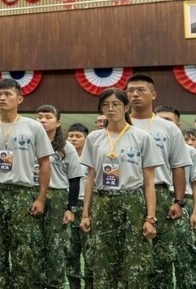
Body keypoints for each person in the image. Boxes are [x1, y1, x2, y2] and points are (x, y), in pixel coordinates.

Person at [0, 78, 54, 289]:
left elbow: (45, 163)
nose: (2, 98)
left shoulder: (33, 127)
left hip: (22, 193)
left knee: (23, 251)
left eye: (8, 94)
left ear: (20, 98)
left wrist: (41, 198)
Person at [80, 88, 162, 288]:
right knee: (102, 260)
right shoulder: (94, 138)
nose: (110, 109)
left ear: (126, 107)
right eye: (106, 105)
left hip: (132, 202)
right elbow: (90, 177)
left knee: (135, 261)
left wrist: (150, 218)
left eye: (116, 104)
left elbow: (149, 182)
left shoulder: (142, 137)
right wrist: (85, 213)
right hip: (102, 202)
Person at [126, 74, 191, 288]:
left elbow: (178, 166)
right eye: (130, 90)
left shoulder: (168, 128)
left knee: (162, 257)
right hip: (127, 194)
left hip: (161, 193)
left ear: (153, 95)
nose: (134, 94)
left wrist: (178, 201)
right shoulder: (117, 124)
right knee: (129, 255)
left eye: (140, 90)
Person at [36, 105, 83, 289]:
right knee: (33, 243)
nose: (43, 120)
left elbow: (74, 179)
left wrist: (70, 208)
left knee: (55, 245)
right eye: (39, 117)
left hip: (57, 197)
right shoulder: (29, 142)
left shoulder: (66, 147)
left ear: (58, 122)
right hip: (33, 194)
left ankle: (54, 284)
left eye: (48, 117)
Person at [154, 104, 196, 289]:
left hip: (182, 202)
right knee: (157, 258)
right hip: (155, 201)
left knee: (183, 258)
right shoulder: (147, 146)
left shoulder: (191, 152)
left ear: (177, 126)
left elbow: (195, 182)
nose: (163, 124)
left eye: (168, 120)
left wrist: (195, 211)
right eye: (159, 119)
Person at [65, 123, 92, 289]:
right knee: (70, 251)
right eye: (71, 136)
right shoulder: (64, 156)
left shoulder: (91, 158)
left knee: (90, 250)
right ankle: (74, 284)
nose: (74, 139)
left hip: (87, 206)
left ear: (86, 138)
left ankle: (90, 283)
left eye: (78, 136)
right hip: (69, 207)